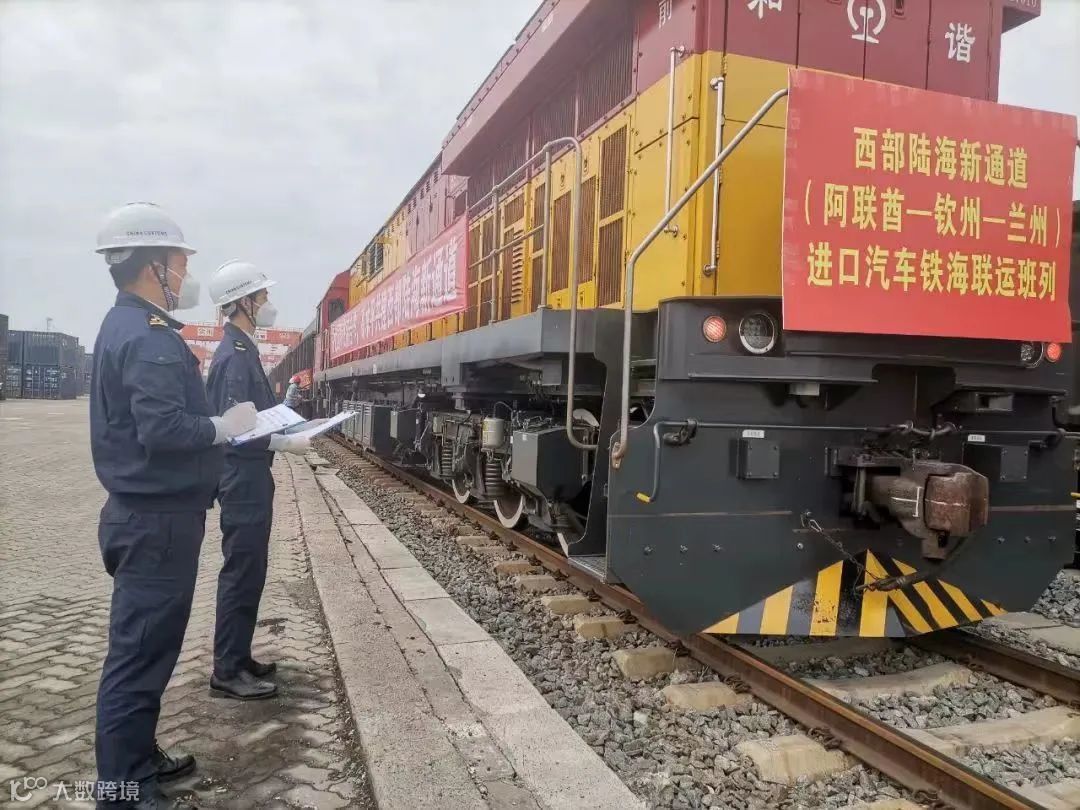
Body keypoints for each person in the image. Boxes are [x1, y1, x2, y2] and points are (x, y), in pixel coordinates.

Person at [90, 202, 258, 809]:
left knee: (151, 651)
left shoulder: (128, 326)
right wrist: (222, 427)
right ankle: (122, 790)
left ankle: (137, 758)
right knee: (138, 658)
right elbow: (162, 429)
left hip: (150, 518)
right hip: (155, 522)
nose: (185, 274)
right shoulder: (148, 337)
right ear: (153, 266)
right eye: (179, 262)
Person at [205, 260, 310, 700]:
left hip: (250, 476)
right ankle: (227, 671)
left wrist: (286, 419)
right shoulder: (234, 356)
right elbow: (234, 429)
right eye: (263, 296)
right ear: (244, 302)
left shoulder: (243, 350)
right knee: (242, 571)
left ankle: (239, 656)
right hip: (241, 477)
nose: (268, 303)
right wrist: (282, 443)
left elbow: (252, 415)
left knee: (252, 570)